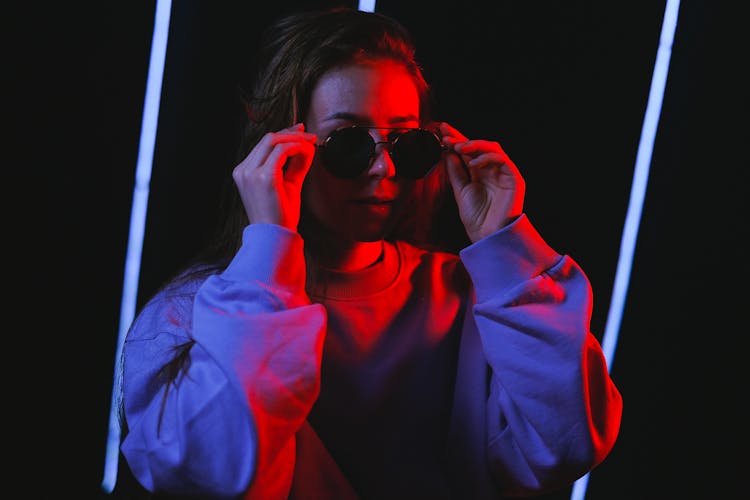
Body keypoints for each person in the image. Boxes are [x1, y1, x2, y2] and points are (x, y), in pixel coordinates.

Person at [115, 6, 622, 499]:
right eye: (349, 142)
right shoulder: (193, 309)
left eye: (406, 142)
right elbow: (209, 472)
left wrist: (506, 243)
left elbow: (567, 444)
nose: (384, 169)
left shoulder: (474, 296)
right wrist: (268, 244)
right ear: (280, 146)